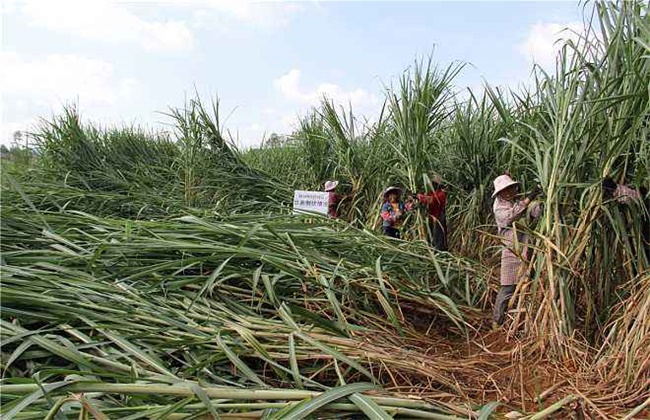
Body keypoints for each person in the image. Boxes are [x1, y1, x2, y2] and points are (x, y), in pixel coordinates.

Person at [491, 174, 542, 327]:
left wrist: (542, 204)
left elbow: (533, 212)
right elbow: (511, 216)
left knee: (526, 283)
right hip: (511, 251)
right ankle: (497, 321)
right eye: (506, 189)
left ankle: (521, 321)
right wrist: (529, 198)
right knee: (507, 287)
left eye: (511, 188)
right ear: (500, 193)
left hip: (525, 249)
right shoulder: (499, 206)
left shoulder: (514, 201)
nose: (509, 191)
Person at [417, 175, 448, 250]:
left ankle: (439, 250)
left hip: (438, 217)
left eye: (434, 184)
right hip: (431, 216)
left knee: (438, 235)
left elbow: (431, 200)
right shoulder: (431, 193)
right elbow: (426, 199)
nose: (432, 185)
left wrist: (419, 196)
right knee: (431, 234)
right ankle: (432, 248)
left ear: (438, 185)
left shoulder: (441, 194)